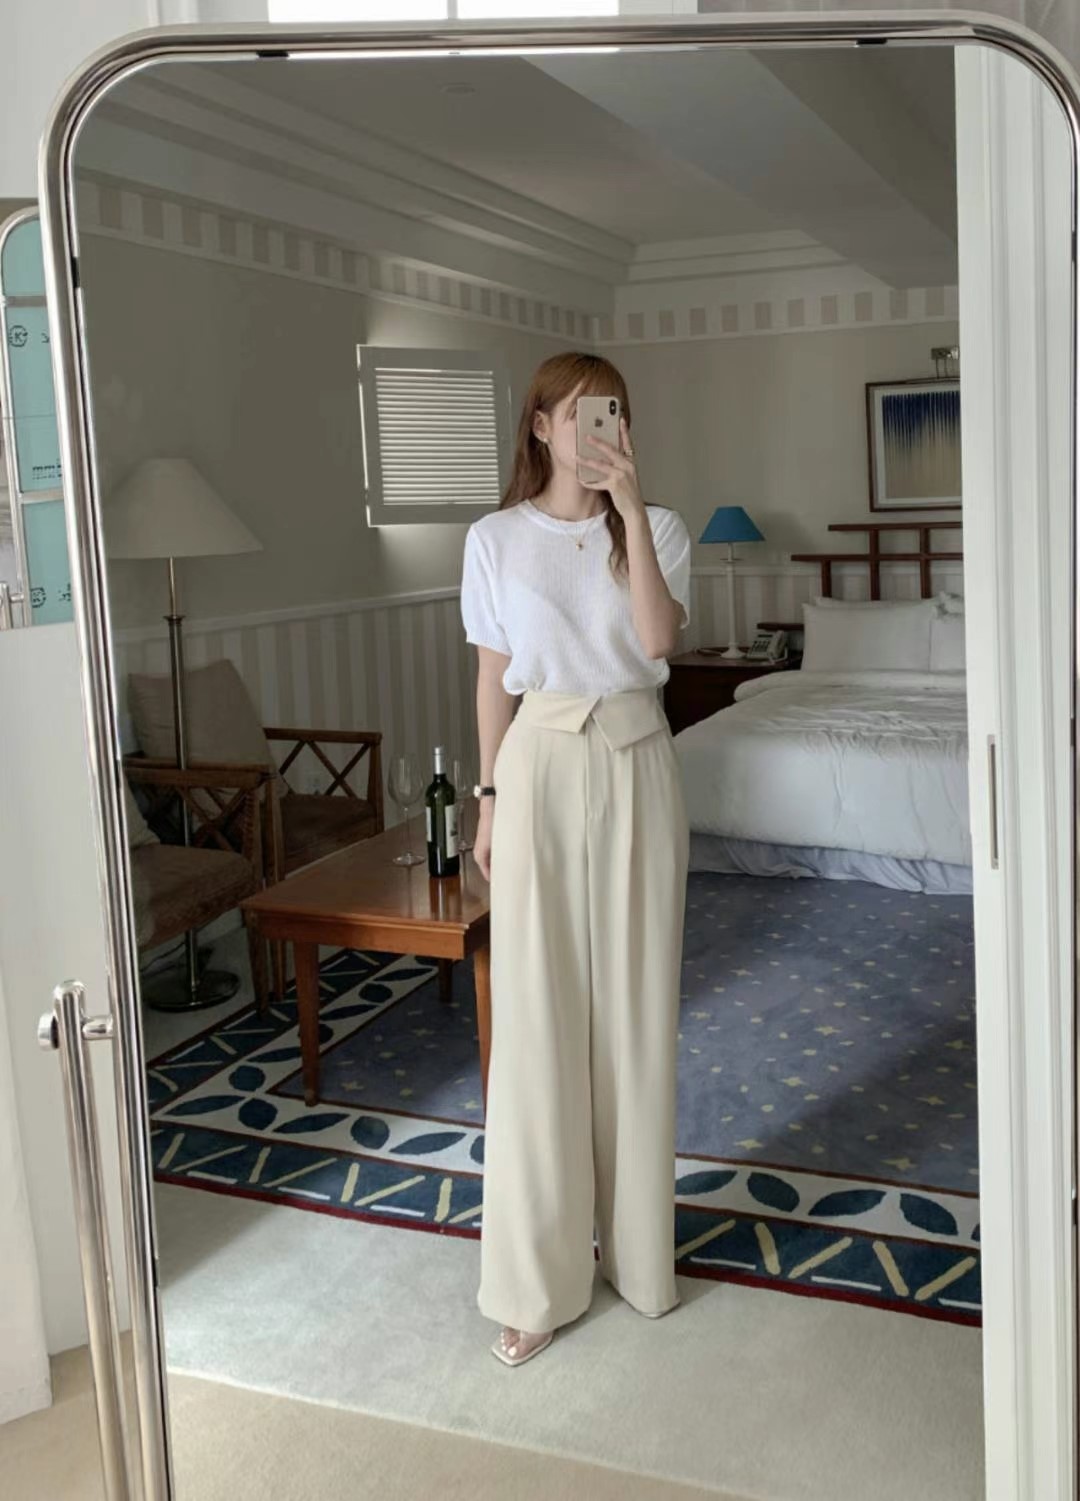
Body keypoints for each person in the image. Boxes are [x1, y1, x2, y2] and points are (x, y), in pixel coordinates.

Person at [459, 351, 691, 1368]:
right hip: (539, 764)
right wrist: (489, 798)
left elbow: (657, 640)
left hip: (638, 759)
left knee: (635, 1014)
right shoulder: (494, 538)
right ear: (542, 425)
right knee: (538, 1022)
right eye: (583, 413)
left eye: (617, 414)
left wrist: (629, 510)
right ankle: (535, 1283)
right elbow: (492, 680)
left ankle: (639, 1260)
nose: (601, 429)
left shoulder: (660, 528)